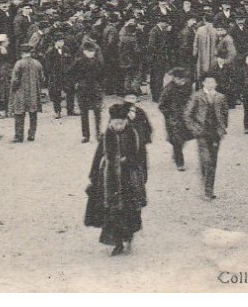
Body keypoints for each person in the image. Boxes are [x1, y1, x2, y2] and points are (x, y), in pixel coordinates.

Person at [84, 102, 147, 256]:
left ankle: (130, 236)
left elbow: (142, 156)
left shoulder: (134, 134)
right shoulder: (107, 136)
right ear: (110, 122)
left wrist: (142, 174)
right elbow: (98, 156)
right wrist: (93, 176)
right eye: (115, 123)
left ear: (126, 122)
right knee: (112, 213)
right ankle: (117, 243)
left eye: (121, 123)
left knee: (130, 210)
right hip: (110, 179)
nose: (118, 126)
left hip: (129, 179)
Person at [184, 74, 228, 200]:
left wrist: (222, 129)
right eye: (207, 82)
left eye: (212, 82)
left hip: (215, 134)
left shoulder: (221, 97)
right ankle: (206, 189)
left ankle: (209, 189)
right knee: (206, 160)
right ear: (203, 83)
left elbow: (225, 114)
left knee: (213, 161)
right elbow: (187, 114)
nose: (210, 84)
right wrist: (194, 128)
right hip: (202, 133)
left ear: (216, 84)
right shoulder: (197, 96)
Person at [9, 43, 45, 142]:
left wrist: (13, 90)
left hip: (21, 93)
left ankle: (19, 136)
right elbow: (42, 78)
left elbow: (15, 80)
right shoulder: (37, 63)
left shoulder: (19, 64)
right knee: (33, 114)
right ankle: (32, 134)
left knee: (19, 114)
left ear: (21, 53)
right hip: (33, 93)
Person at [158, 68, 193, 170]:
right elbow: (161, 105)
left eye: (184, 79)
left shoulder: (187, 87)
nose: (182, 81)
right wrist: (169, 115)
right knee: (177, 139)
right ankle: (180, 163)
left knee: (185, 137)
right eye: (179, 79)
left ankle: (176, 152)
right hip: (173, 119)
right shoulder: (168, 89)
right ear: (174, 78)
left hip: (185, 117)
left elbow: (192, 99)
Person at [71, 40, 104, 143]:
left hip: (95, 89)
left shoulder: (98, 61)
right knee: (84, 113)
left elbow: (103, 75)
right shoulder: (78, 62)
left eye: (93, 51)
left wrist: (102, 87)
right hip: (83, 90)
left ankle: (98, 133)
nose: (91, 53)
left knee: (97, 112)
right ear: (84, 51)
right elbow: (71, 73)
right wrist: (76, 84)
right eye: (89, 51)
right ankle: (86, 135)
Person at [193, 12, 219, 86]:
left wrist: (195, 54)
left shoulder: (199, 30)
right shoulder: (215, 30)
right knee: (212, 71)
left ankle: (201, 86)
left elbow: (195, 43)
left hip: (202, 56)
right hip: (213, 56)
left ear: (205, 20)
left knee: (201, 71)